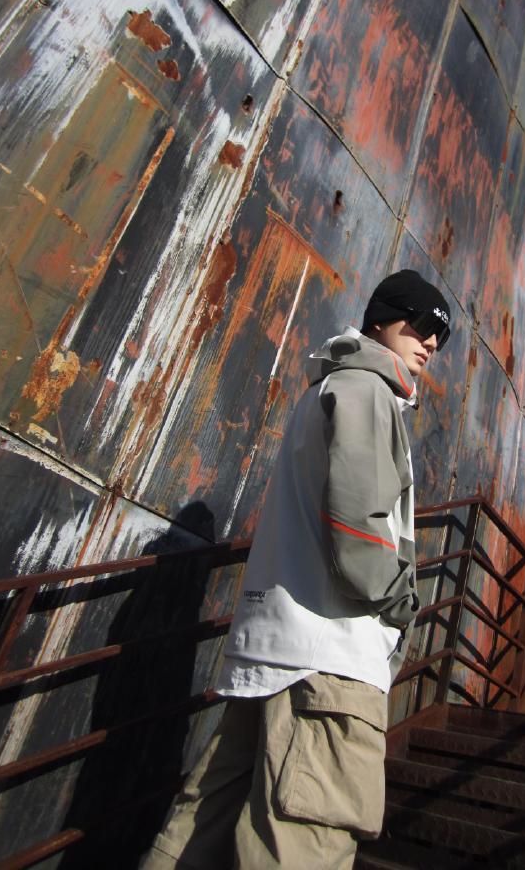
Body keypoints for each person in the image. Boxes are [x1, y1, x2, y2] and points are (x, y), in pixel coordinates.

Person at [142, 269, 451, 869]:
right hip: (329, 662)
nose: (432, 342)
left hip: (276, 654)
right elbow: (361, 523)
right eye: (422, 324)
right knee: (304, 844)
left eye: (442, 336)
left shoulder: (326, 389)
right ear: (381, 319)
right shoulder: (367, 389)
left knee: (200, 833)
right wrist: (399, 602)